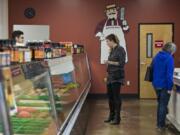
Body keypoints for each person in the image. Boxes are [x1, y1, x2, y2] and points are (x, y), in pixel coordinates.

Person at [152, 42, 177, 130]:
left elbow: (153, 68)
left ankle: (159, 124)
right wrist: (170, 88)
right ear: (171, 50)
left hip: (156, 84)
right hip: (164, 85)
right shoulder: (169, 58)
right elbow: (169, 75)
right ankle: (161, 125)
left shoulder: (157, 56)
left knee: (160, 104)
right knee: (163, 105)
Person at [104, 34, 126, 125]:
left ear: (112, 40)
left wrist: (109, 62)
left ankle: (117, 118)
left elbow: (121, 64)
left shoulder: (120, 49)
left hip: (117, 77)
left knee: (116, 97)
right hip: (110, 76)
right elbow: (112, 64)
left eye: (107, 41)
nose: (107, 43)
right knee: (110, 97)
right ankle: (111, 115)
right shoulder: (112, 50)